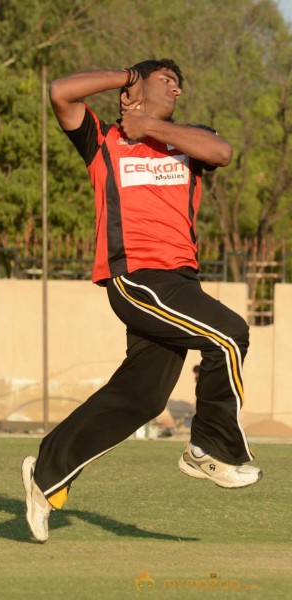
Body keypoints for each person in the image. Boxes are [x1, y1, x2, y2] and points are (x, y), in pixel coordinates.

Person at [22, 59, 262, 543]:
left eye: (180, 82)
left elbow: (223, 151)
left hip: (179, 284)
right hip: (137, 277)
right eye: (164, 79)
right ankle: (209, 449)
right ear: (134, 90)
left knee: (144, 397)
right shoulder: (104, 141)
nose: (176, 86)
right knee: (230, 334)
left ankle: (45, 473)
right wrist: (124, 77)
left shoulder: (185, 139)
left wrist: (152, 124)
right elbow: (61, 91)